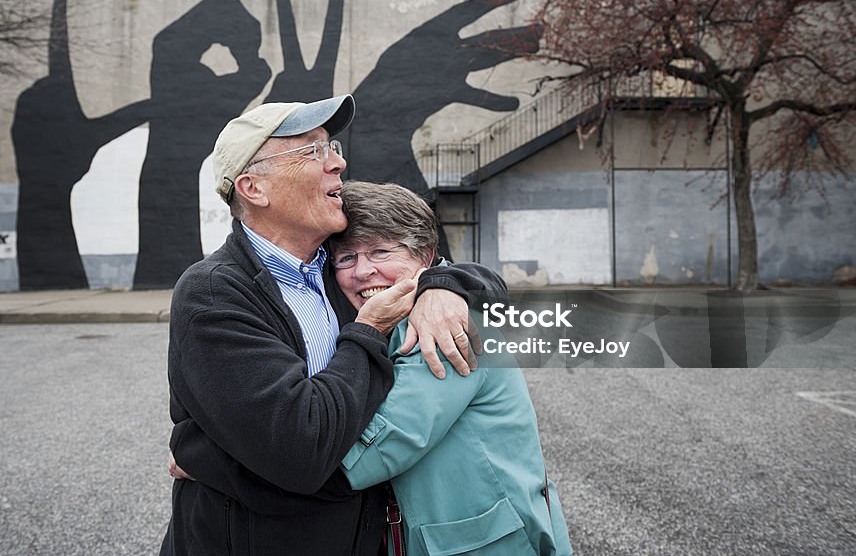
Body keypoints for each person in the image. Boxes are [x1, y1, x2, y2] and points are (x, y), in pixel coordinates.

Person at [161, 94, 506, 556]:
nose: (337, 165)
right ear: (254, 189)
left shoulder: (339, 272)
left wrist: (442, 285)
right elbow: (301, 453)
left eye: (334, 148)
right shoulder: (213, 293)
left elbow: (474, 277)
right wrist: (367, 333)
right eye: (312, 151)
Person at [332, 181, 572, 556]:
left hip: (486, 543)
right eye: (346, 258)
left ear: (425, 256)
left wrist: (254, 469)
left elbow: (381, 448)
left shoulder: (447, 324)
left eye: (380, 251)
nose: (363, 271)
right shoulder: (392, 316)